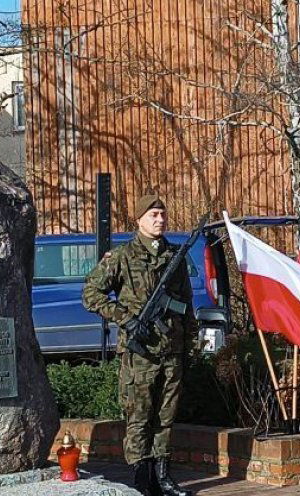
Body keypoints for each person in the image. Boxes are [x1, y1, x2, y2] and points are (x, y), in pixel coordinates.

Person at [82, 195, 195, 496]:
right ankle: (142, 478)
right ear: (140, 219)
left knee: (166, 415)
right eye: (154, 214)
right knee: (139, 415)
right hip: (139, 354)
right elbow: (91, 294)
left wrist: (190, 344)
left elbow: (186, 302)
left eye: (162, 213)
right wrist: (126, 319)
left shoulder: (174, 256)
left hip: (171, 349)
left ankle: (163, 476)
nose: (160, 219)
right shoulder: (122, 257)